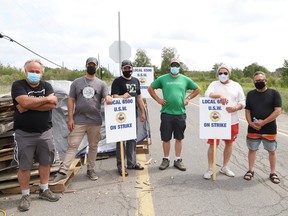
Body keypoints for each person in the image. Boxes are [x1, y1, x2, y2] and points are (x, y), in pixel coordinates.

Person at [50, 57, 112, 183]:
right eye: (89, 64)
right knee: (73, 146)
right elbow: (71, 100)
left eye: (93, 64)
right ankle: (63, 171)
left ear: (97, 67)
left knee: (93, 146)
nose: (91, 66)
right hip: (79, 120)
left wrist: (109, 98)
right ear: (85, 66)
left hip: (95, 121)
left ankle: (91, 169)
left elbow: (107, 96)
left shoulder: (101, 84)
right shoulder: (77, 83)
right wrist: (70, 119)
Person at [11, 59, 60, 212]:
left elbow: (53, 105)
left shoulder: (46, 85)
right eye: (31, 71)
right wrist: (45, 100)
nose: (34, 74)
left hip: (45, 132)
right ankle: (25, 195)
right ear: (25, 72)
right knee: (24, 166)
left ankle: (44, 189)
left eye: (37, 71)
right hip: (24, 134)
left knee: (45, 162)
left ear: (42, 73)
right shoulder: (18, 85)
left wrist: (29, 104)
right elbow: (23, 104)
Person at [148, 58, 201, 171]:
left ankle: (178, 160)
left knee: (179, 138)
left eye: (177, 65)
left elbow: (198, 89)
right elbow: (150, 88)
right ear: (169, 66)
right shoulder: (163, 79)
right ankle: (166, 159)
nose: (175, 67)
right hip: (166, 113)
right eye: (173, 65)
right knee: (166, 138)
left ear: (180, 67)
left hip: (180, 113)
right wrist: (158, 99)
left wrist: (188, 98)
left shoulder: (185, 79)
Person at [203, 65, 245, 179]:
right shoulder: (214, 84)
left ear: (229, 73)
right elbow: (207, 94)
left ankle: (225, 167)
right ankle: (210, 168)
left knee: (229, 143)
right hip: (216, 121)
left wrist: (236, 108)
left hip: (231, 120)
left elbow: (242, 101)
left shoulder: (236, 85)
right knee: (213, 144)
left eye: (225, 73)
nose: (223, 75)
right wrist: (220, 95)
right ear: (218, 74)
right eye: (220, 73)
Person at [243, 71, 282, 184]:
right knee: (252, 149)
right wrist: (250, 122)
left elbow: (278, 111)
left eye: (261, 80)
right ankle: (250, 171)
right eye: (256, 81)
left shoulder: (274, 93)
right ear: (253, 82)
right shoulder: (250, 94)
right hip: (253, 128)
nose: (259, 82)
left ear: (266, 81)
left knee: (272, 151)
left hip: (269, 129)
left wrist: (263, 122)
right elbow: (247, 110)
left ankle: (273, 173)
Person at [111, 59, 146, 176]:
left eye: (129, 68)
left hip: (133, 115)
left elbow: (139, 97)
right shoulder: (117, 81)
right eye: (125, 68)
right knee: (121, 141)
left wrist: (142, 112)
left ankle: (131, 163)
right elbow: (114, 96)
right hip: (121, 116)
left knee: (132, 139)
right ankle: (121, 166)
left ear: (132, 68)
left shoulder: (136, 81)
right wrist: (121, 96)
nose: (127, 70)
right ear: (122, 69)